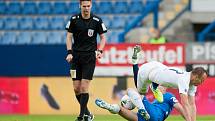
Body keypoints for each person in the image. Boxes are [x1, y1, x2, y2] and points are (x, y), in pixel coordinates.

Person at [131, 45, 208, 121]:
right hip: (148, 71)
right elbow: (185, 103)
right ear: (195, 76)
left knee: (150, 87)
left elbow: (192, 104)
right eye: (201, 80)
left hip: (158, 67)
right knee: (140, 92)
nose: (202, 82)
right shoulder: (184, 79)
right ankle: (135, 61)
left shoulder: (192, 83)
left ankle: (154, 85)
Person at [65, 0, 107, 120]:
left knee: (84, 87)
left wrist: (100, 51)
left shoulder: (97, 21)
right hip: (76, 58)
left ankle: (81, 116)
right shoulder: (74, 19)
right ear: (80, 6)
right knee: (76, 88)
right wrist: (69, 52)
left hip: (89, 57)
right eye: (84, 6)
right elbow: (68, 36)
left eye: (88, 6)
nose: (86, 8)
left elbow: (103, 37)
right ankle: (88, 113)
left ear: (91, 6)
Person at [95, 87, 187, 121]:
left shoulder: (168, 95)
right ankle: (109, 106)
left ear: (165, 87)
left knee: (131, 90)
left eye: (159, 86)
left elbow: (180, 108)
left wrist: (189, 119)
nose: (157, 88)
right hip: (148, 118)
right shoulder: (156, 101)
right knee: (119, 109)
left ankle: (141, 108)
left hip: (154, 114)